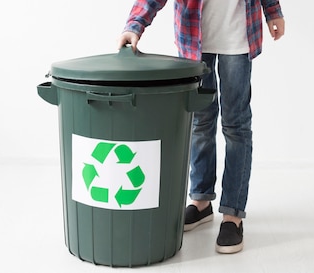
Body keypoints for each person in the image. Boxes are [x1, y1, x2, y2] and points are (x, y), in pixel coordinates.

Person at [117, 0, 285, 254]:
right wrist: (135, 24)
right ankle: (201, 201)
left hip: (238, 38)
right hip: (194, 38)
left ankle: (233, 214)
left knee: (236, 126)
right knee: (200, 122)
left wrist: (273, 12)